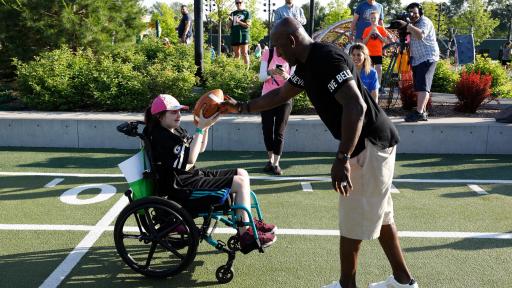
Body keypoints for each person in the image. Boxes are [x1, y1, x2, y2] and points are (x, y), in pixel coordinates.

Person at [221, 17, 418, 288]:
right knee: (382, 217)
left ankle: (347, 284)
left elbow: (356, 107)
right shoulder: (306, 63)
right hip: (373, 143)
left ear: (291, 41)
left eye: (278, 46)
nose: (276, 53)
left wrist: (342, 159)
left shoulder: (327, 59)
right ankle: (403, 282)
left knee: (351, 222)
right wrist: (241, 107)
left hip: (368, 145)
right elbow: (280, 95)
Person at [144, 94, 277, 254]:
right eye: (173, 112)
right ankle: (245, 235)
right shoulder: (161, 137)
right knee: (239, 183)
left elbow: (200, 148)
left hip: (189, 176)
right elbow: (191, 158)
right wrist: (200, 128)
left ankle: (246, 222)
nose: (178, 115)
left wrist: (206, 126)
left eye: (179, 111)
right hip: (180, 185)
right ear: (159, 116)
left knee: (242, 173)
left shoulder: (174, 130)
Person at [395, 2, 439, 122]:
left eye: (415, 12)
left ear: (420, 11)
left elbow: (420, 35)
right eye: (411, 13)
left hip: (428, 57)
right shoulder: (413, 24)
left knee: (424, 86)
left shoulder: (425, 22)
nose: (413, 15)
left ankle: (419, 112)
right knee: (419, 86)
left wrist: (407, 26)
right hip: (417, 59)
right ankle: (423, 112)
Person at [258, 47, 292, 175]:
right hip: (267, 97)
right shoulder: (269, 52)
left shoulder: (292, 55)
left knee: (279, 131)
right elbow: (261, 77)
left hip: (284, 98)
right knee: (267, 130)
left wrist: (285, 75)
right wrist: (270, 72)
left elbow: (295, 81)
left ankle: (276, 163)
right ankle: (270, 160)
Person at [362, 11, 392, 92]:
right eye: (371, 18)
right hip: (369, 54)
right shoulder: (367, 29)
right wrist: (370, 34)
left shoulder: (381, 28)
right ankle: (369, 87)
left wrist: (378, 34)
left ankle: (378, 87)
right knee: (369, 70)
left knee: (379, 69)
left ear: (378, 19)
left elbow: (386, 41)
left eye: (374, 18)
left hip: (378, 53)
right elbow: (363, 43)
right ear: (369, 19)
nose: (373, 19)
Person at [228, 0, 251, 65]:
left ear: (242, 3)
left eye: (240, 2)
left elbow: (248, 25)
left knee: (245, 53)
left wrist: (238, 21)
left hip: (243, 35)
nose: (238, 4)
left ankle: (246, 72)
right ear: (235, 3)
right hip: (235, 35)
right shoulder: (232, 13)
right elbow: (228, 26)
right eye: (237, 3)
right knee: (236, 54)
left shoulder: (246, 12)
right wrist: (231, 20)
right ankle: (237, 71)